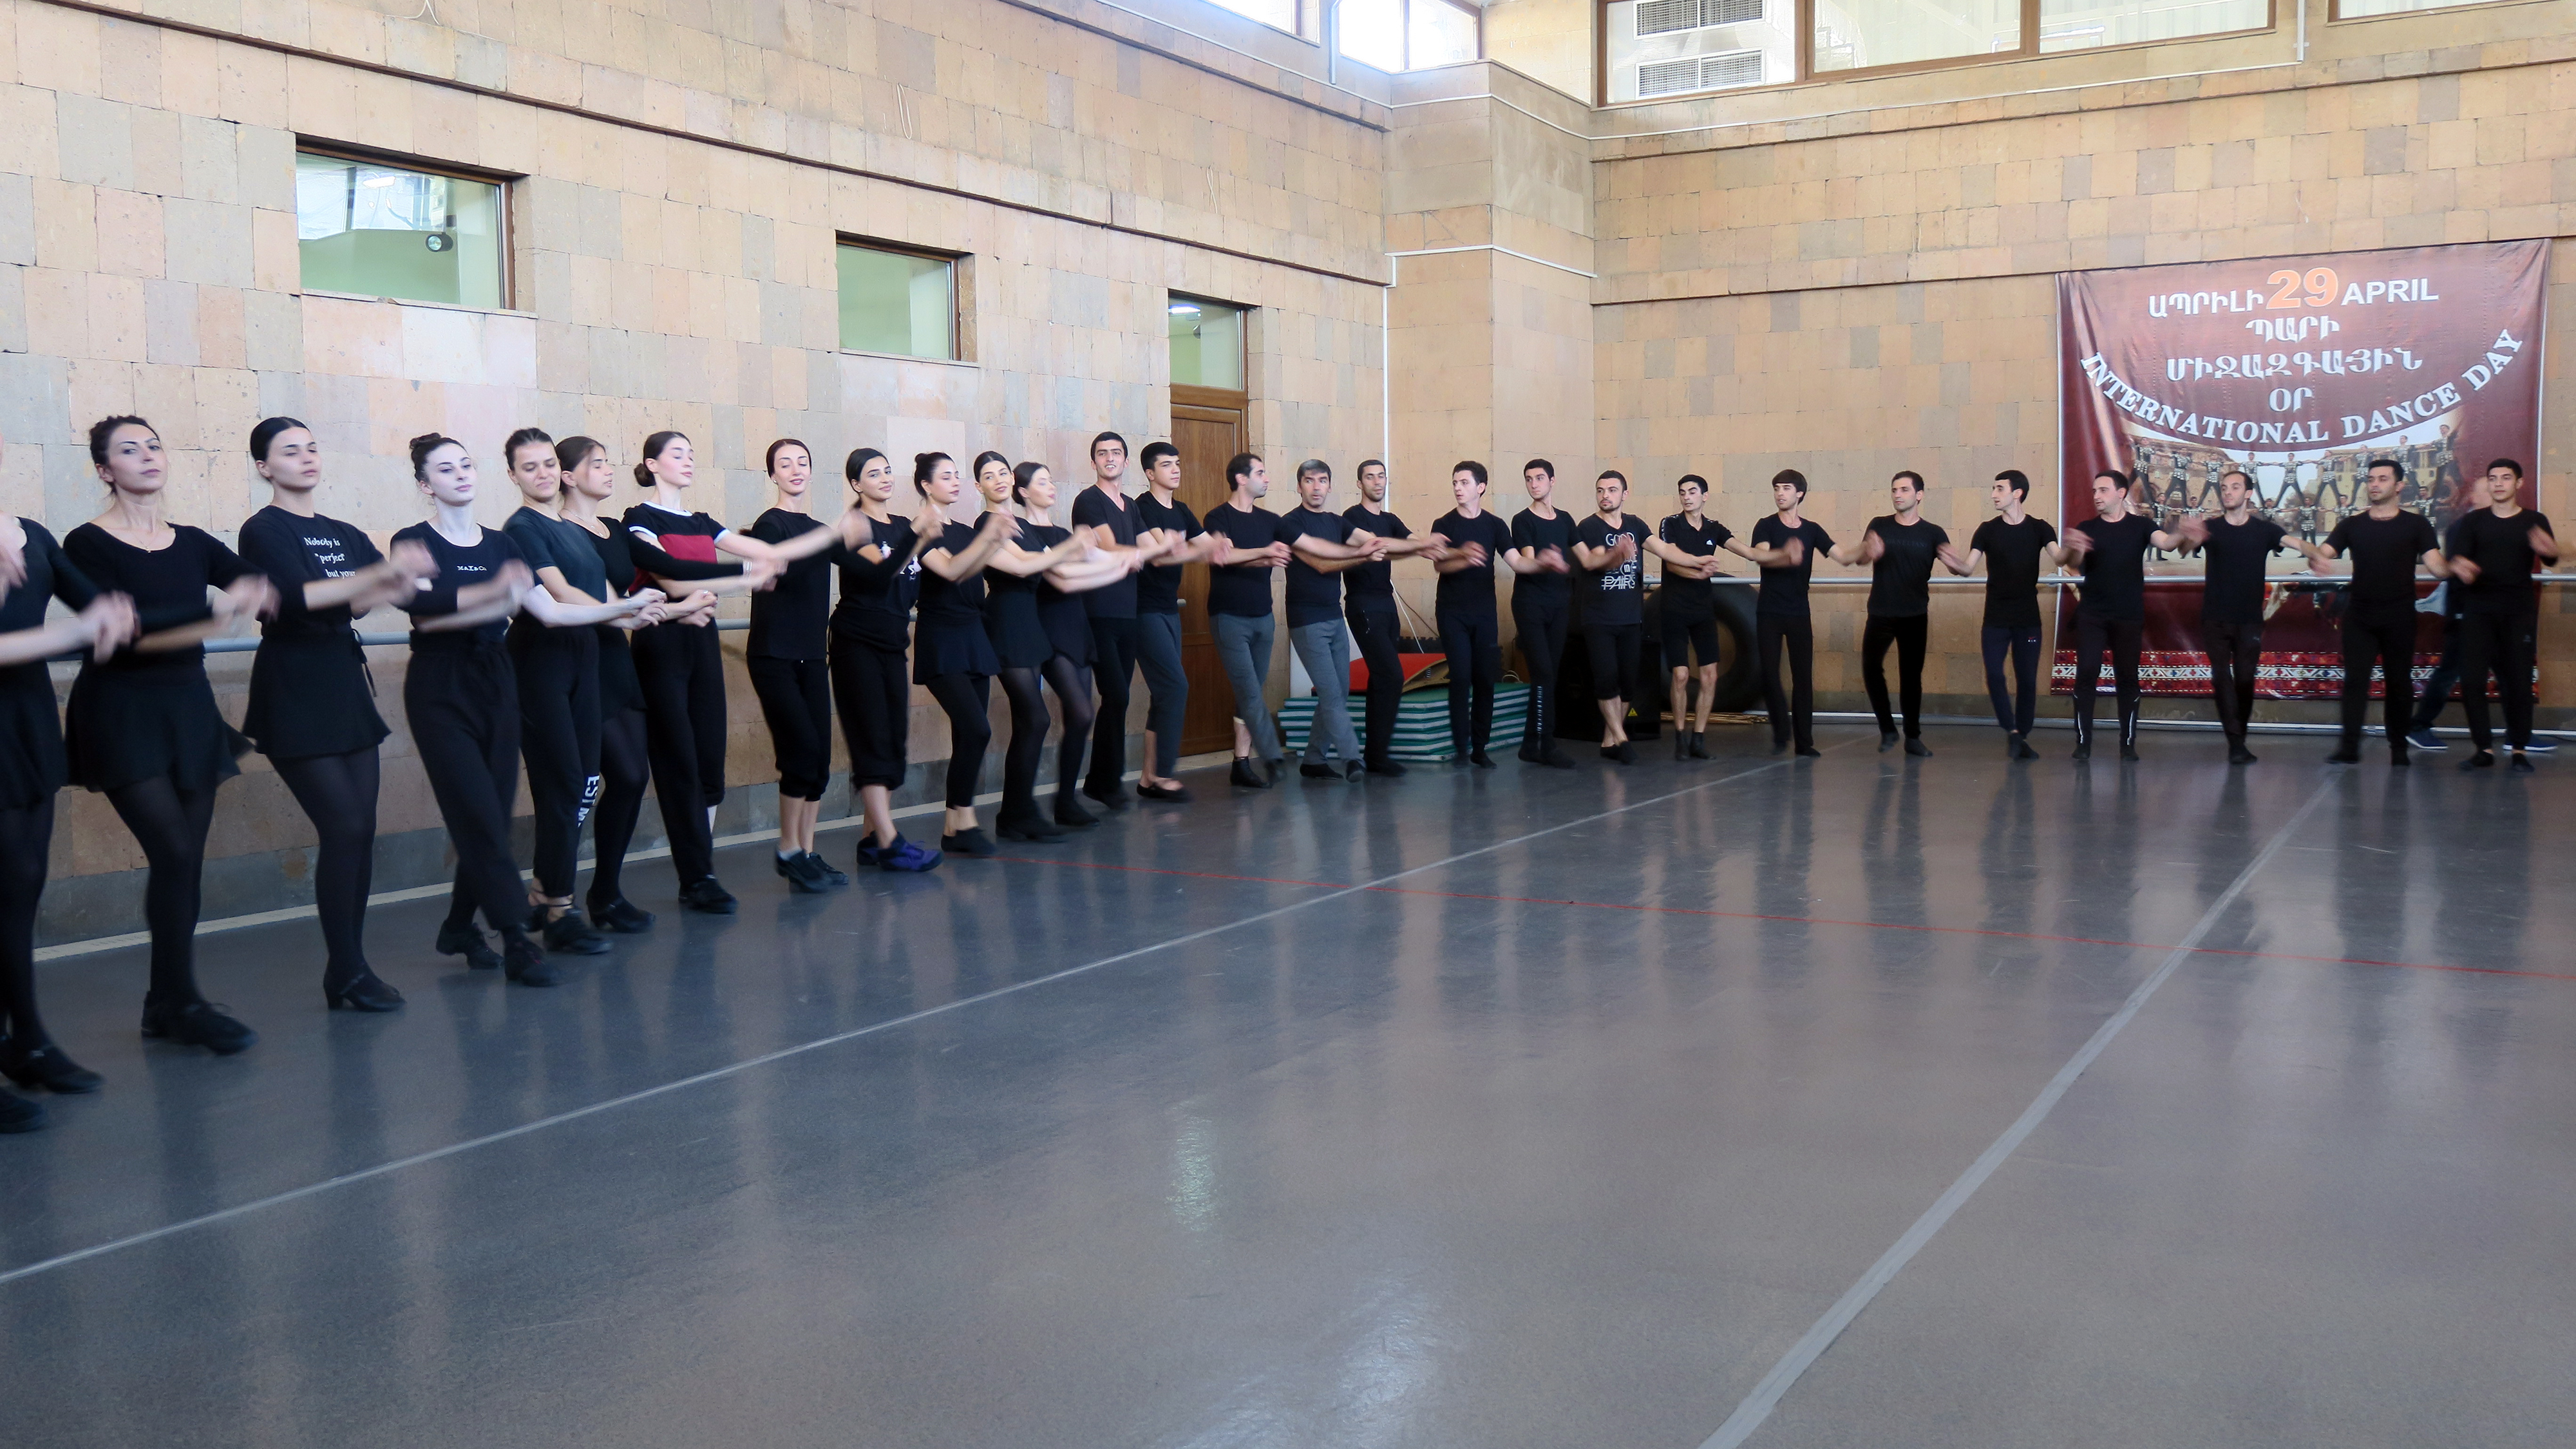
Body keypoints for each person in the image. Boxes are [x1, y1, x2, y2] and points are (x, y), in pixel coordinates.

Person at [65, 417, 279, 1052]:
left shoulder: (192, 541)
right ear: (105, 471)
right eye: (129, 450)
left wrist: (252, 590)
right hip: (120, 710)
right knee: (175, 852)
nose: (147, 456)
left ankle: (167, 1002)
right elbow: (124, 632)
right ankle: (180, 1001)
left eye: (154, 445)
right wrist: (214, 613)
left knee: (183, 861)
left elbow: (251, 580)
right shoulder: (86, 543)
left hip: (188, 710)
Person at [238, 418, 437, 1010]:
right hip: (293, 685)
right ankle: (346, 969)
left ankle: (350, 968)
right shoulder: (263, 529)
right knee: (344, 826)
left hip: (344, 683)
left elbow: (364, 600)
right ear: (264, 467)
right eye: (290, 452)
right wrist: (381, 574)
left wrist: (399, 581)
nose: (306, 458)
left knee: (360, 830)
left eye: (311, 448)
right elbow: (298, 597)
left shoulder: (342, 532)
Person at [0, 431, 137, 1116]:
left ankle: (26, 1038)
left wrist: (115, 616)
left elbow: (99, 607)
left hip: (24, 724)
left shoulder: (29, 534)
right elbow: (75, 629)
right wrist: (75, 633)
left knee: (22, 888)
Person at [389, 433, 557, 986]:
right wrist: (495, 594)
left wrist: (627, 610)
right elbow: (425, 611)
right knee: (478, 813)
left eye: (466, 464)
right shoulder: (412, 541)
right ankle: (516, 938)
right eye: (446, 469)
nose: (461, 474)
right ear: (425, 484)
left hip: (496, 679)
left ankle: (460, 926)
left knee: (490, 816)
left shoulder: (502, 545)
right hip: (440, 684)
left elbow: (543, 609)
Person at [502, 428, 668, 949]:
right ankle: (555, 907)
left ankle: (550, 899)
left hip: (582, 662)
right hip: (542, 666)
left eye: (548, 463)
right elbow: (559, 596)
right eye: (529, 467)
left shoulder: (570, 528)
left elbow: (598, 591)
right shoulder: (522, 527)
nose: (543, 474)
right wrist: (625, 610)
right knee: (568, 786)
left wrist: (638, 612)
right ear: (512, 476)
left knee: (584, 784)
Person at [622, 430, 786, 914]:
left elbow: (755, 551)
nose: (688, 461)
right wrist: (746, 578)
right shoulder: (639, 518)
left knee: (710, 758)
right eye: (678, 454)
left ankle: (702, 869)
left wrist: (776, 554)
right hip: (661, 642)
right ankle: (695, 875)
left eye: (692, 454)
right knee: (678, 761)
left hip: (702, 640)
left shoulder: (703, 521)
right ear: (653, 464)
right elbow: (672, 580)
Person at [558, 436, 715, 928]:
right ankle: (554, 900)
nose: (609, 470)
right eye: (598, 464)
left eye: (608, 462)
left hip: (615, 662)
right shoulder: (550, 530)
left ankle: (605, 894)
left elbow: (663, 575)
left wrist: (744, 572)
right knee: (575, 788)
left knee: (630, 777)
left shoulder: (612, 529)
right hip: (571, 665)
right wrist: (667, 607)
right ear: (568, 476)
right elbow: (605, 604)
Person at [971, 451, 1131, 842]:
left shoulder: (1019, 524)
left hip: (1030, 624)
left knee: (1034, 721)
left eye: (1003, 472)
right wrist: (1074, 544)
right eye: (989, 476)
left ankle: (1019, 812)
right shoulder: (988, 522)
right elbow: (1025, 565)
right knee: (1036, 719)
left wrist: (1111, 561)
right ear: (979, 487)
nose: (999, 480)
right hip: (1007, 621)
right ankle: (1017, 813)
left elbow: (1050, 568)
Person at [1007, 460, 1157, 831]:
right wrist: (1120, 566)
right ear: (1024, 491)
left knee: (1082, 715)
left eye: (1051, 480)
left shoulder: (1062, 533)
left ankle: (1066, 800)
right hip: (1045, 627)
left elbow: (1098, 559)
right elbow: (1062, 578)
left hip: (1074, 624)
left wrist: (1130, 558)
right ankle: (1023, 808)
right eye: (1042, 482)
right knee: (1063, 713)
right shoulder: (1023, 531)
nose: (1051, 486)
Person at [744, 439, 861, 891]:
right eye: (785, 464)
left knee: (820, 763)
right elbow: (778, 568)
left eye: (803, 462)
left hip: (812, 656)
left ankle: (807, 853)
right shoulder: (769, 524)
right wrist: (833, 534)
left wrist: (912, 539)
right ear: (772, 474)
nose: (795, 469)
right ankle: (788, 850)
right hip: (774, 656)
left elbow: (866, 568)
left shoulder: (819, 530)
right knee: (800, 753)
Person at [2286, 457, 2446, 768]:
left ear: (2399, 486)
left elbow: (2437, 566)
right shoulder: (2352, 525)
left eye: (2383, 479)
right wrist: (2314, 559)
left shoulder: (2416, 525)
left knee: (2399, 684)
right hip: (2360, 616)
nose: (2375, 484)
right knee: (2355, 683)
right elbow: (2324, 553)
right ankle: (2349, 748)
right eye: (2371, 479)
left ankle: (2398, 749)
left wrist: (2458, 569)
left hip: (2399, 616)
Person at [829, 448, 940, 871]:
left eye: (888, 471)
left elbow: (917, 581)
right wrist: (919, 534)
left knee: (894, 740)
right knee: (873, 737)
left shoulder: (901, 526)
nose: (885, 478)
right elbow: (880, 573)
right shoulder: (855, 524)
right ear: (856, 484)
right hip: (857, 642)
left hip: (893, 641)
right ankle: (891, 842)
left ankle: (871, 838)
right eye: (873, 474)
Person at [912, 451, 1014, 851]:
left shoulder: (967, 531)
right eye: (946, 476)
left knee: (967, 736)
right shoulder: (919, 530)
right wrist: (990, 539)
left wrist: (993, 541)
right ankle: (963, 821)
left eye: (957, 475)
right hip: (941, 638)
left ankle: (955, 827)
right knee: (977, 729)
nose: (955, 482)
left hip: (973, 635)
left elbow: (972, 572)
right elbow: (951, 570)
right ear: (926, 485)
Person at [1573, 470, 1705, 764]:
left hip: (1631, 618)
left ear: (1625, 494)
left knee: (1628, 683)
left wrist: (1697, 562)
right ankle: (1622, 739)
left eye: (1612, 490)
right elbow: (1594, 561)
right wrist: (1616, 554)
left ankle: (1609, 742)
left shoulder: (1635, 525)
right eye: (1600, 490)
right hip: (1599, 619)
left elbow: (1665, 549)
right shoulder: (1589, 526)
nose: (1605, 495)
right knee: (1606, 680)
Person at [2059, 468, 2189, 761]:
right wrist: (2074, 548)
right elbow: (2074, 563)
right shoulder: (2087, 528)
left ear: (2121, 493)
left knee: (2127, 677)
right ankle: (2083, 743)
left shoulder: (2141, 525)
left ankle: (2127, 743)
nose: (2096, 496)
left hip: (2128, 615)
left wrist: (2184, 531)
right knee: (2087, 673)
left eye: (2103, 490)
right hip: (2092, 614)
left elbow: (2166, 544)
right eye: (2094, 491)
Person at [2441, 457, 2559, 772]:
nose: (2498, 484)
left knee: (2519, 683)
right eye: (2493, 478)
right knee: (2472, 681)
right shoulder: (2474, 521)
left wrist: (2550, 551)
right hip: (2478, 611)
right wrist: (2460, 566)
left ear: (2518, 483)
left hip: (2517, 612)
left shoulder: (2533, 520)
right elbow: (2457, 558)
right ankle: (2483, 750)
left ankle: (2519, 750)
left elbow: (2551, 558)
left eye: (2505, 478)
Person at [1273, 460, 1389, 781]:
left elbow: (1374, 541)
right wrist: (1364, 555)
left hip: (1334, 616)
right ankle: (1353, 758)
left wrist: (1423, 546)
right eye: (1309, 481)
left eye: (1322, 480)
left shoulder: (1337, 522)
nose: (1316, 487)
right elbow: (1322, 564)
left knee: (1339, 690)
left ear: (1330, 485)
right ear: (1299, 486)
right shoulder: (1290, 524)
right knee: (1330, 693)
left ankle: (1313, 759)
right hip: (1306, 619)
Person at [2167, 469, 2282, 765]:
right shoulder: (2212, 527)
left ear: (2248, 494)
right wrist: (2191, 537)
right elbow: (2184, 549)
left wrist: (2317, 555)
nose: (2228, 492)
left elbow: (2295, 544)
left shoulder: (2264, 530)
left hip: (2249, 619)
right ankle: (2235, 743)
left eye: (2235, 487)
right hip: (2215, 617)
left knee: (2244, 679)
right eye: (2224, 487)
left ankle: (2239, 737)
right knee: (2222, 678)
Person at [1827, 471, 1946, 757]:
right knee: (1870, 668)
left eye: (1904, 490)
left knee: (1911, 677)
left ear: (1919, 495)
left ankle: (1913, 737)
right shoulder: (1879, 525)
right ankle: (1887, 728)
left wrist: (1958, 564)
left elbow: (1956, 566)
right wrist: (1869, 552)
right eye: (1894, 490)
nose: (1898, 495)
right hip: (1881, 611)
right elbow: (1861, 560)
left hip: (1914, 614)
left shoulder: (1933, 533)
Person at [1944, 469, 2060, 760]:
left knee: (2027, 680)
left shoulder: (2040, 528)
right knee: (1995, 675)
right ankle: (2012, 731)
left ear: (2017, 493)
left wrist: (2077, 553)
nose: (1994, 495)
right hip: (1995, 617)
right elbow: (1967, 567)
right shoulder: (1987, 530)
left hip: (2027, 618)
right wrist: (1952, 564)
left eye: (1999, 488)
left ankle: (2022, 735)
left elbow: (2059, 557)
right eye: (1993, 489)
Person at [1342, 459, 1442, 775]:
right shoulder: (1351, 518)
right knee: (1391, 676)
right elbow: (1379, 545)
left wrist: (1437, 548)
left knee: (1380, 679)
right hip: (1363, 605)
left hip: (1386, 606)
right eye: (1370, 477)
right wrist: (1422, 545)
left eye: (1381, 476)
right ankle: (1377, 756)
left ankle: (1375, 755)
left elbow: (1413, 543)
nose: (1377, 482)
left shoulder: (1391, 519)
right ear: (1359, 483)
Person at [1202, 453, 1295, 788]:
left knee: (1251, 691)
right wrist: (1265, 553)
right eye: (1261, 472)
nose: (1267, 479)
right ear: (1241, 479)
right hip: (1229, 617)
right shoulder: (1218, 517)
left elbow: (1297, 547)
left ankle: (1240, 763)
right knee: (1250, 691)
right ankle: (1271, 757)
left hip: (1263, 618)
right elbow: (1223, 556)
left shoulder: (1271, 520)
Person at [1131, 442, 1218, 800]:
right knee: (1175, 687)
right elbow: (1161, 554)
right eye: (1167, 465)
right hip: (1143, 610)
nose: (1176, 469)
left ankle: (1148, 778)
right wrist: (1188, 550)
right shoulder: (1142, 507)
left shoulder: (1181, 509)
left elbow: (1208, 546)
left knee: (1163, 694)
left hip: (1169, 608)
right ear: (1150, 473)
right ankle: (1165, 775)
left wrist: (1197, 548)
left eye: (1177, 463)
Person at [1732, 469, 1831, 758]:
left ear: (1800, 493)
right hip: (1770, 611)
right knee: (1769, 673)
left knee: (1803, 678)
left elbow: (1842, 555)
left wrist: (1865, 551)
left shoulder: (1812, 530)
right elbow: (1760, 556)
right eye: (1776, 488)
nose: (1780, 493)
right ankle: (1780, 731)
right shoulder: (1766, 525)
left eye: (1786, 488)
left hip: (1799, 612)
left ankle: (1804, 742)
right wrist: (1785, 554)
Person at [1070, 432, 1144, 811]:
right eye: (1102, 454)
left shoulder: (1130, 505)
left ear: (1126, 461)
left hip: (1128, 612)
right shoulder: (1088, 500)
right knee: (1115, 695)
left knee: (1119, 698)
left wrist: (1169, 547)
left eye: (1116, 453)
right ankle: (1105, 782)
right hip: (1097, 612)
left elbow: (1147, 545)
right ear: (1094, 462)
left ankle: (1101, 781)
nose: (1110, 458)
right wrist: (1137, 554)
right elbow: (1109, 546)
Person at [1430, 462, 1519, 767]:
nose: (1458, 488)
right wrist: (1465, 557)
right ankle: (1460, 746)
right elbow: (1440, 564)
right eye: (1455, 482)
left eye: (1464, 482)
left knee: (1485, 679)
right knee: (1461, 676)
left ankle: (1480, 747)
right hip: (1452, 612)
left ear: (1480, 487)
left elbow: (1516, 561)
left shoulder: (1495, 525)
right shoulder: (1444, 523)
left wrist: (1544, 564)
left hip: (1484, 614)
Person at [1657, 475, 1734, 761]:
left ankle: (1698, 739)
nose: (1687, 497)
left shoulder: (1714, 528)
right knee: (1680, 675)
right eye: (1682, 492)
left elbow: (1745, 550)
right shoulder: (1670, 524)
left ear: (1705, 496)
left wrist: (1773, 555)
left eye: (1692, 492)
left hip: (1703, 611)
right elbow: (1672, 563)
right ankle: (1680, 737)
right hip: (1674, 609)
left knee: (1710, 676)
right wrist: (1699, 572)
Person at [1507, 460, 1578, 768]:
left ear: (1552, 481)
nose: (1534, 484)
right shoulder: (1522, 520)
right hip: (1531, 605)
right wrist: (1545, 561)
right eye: (1528, 479)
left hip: (1559, 604)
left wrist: (1615, 555)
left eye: (1539, 478)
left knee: (1549, 675)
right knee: (1543, 673)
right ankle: (1546, 744)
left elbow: (1586, 558)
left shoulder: (1565, 519)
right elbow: (1528, 561)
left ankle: (1529, 744)